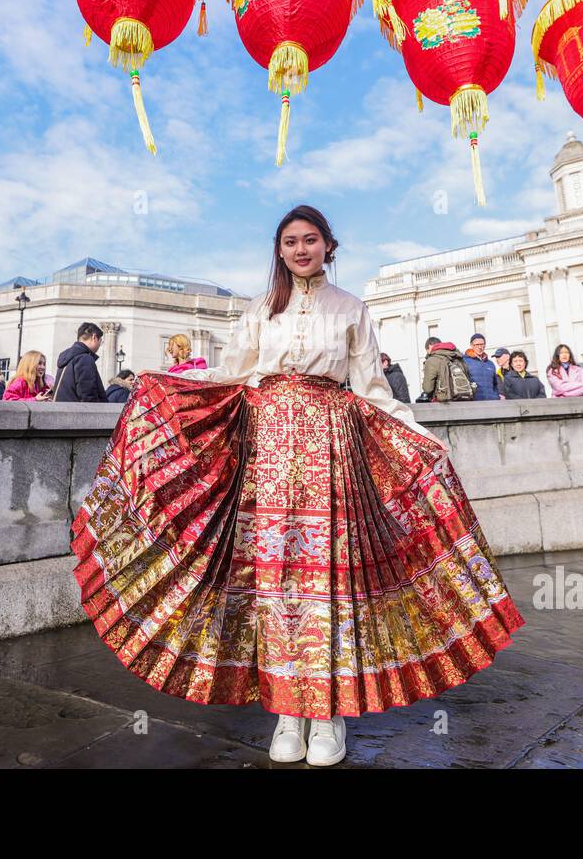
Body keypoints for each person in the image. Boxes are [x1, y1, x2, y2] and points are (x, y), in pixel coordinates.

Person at [69, 205, 525, 768]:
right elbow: (231, 372)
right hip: (266, 452)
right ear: (279, 250)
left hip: (331, 449)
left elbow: (372, 389)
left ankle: (326, 714)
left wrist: (417, 434)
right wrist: (168, 388)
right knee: (272, 577)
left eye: (310, 240)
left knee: (327, 577)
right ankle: (287, 711)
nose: (300, 249)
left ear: (328, 246)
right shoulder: (261, 308)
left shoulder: (352, 309)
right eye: (290, 242)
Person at [54, 322, 107, 402]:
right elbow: (87, 392)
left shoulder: (68, 357)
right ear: (94, 337)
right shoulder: (84, 358)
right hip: (77, 412)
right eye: (100, 341)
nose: (100, 345)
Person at [421, 335, 474, 402]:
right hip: (464, 398)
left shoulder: (431, 360)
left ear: (428, 349)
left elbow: (428, 389)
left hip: (443, 401)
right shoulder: (458, 357)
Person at [463, 332, 498, 401]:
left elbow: (495, 384)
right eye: (477, 345)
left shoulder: (490, 363)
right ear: (471, 345)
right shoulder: (464, 361)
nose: (480, 347)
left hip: (492, 402)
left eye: (482, 344)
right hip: (474, 402)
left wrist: (496, 396)